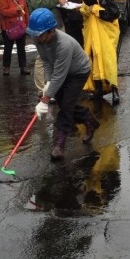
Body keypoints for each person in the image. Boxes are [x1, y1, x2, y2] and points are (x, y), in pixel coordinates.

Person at [27, 8, 100, 161]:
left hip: (78, 72)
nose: (37, 39)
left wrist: (45, 99)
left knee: (66, 106)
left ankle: (59, 145)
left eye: (39, 35)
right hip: (62, 71)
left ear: (51, 31)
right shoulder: (38, 38)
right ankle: (89, 120)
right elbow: (47, 62)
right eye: (34, 35)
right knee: (64, 102)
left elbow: (60, 75)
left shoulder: (63, 45)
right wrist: (47, 84)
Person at [80, 0, 120, 103]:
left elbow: (114, 13)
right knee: (93, 60)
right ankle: (98, 90)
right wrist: (85, 10)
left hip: (105, 36)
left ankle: (114, 90)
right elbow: (87, 15)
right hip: (92, 35)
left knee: (108, 61)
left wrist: (98, 11)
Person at [0, 0, 30, 76]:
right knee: (8, 48)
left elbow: (26, 11)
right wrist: (15, 10)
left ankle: (23, 67)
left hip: (20, 26)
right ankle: (6, 67)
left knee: (21, 47)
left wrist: (28, 23)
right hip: (9, 27)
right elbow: (3, 12)